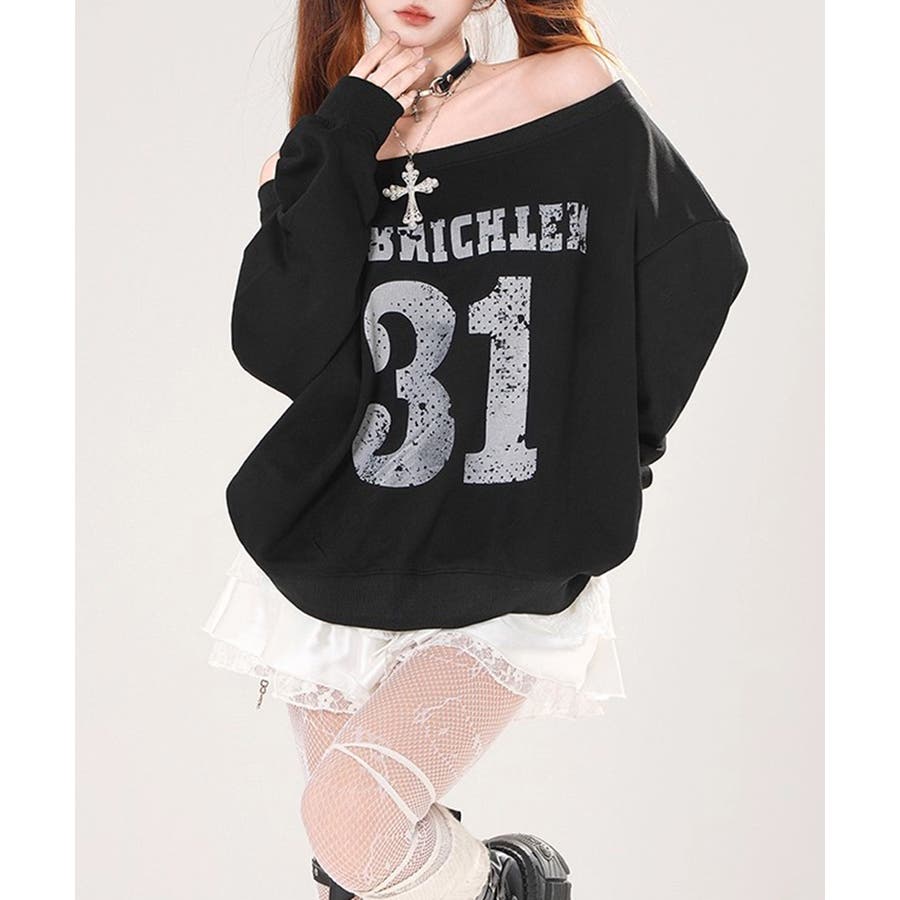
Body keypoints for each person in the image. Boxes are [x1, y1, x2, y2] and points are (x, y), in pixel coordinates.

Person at [202, 2, 749, 898]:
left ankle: (510, 881)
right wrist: (345, 134)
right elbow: (279, 350)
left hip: (508, 536)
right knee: (356, 869)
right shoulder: (321, 151)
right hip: (341, 538)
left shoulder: (567, 90)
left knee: (352, 821)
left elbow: (696, 263)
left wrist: (615, 453)